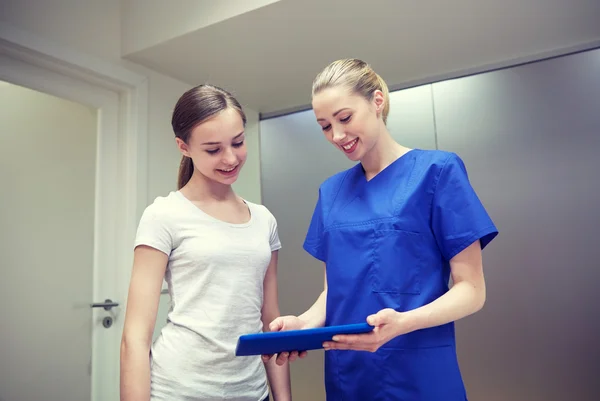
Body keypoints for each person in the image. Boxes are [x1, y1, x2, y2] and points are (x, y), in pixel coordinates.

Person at [263, 59, 498, 401]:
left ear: (377, 101)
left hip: (419, 373)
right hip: (348, 377)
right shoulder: (331, 192)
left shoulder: (437, 172)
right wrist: (302, 325)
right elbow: (335, 293)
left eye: (344, 118)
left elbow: (472, 290)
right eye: (325, 126)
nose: (337, 135)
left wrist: (403, 323)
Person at [120, 84, 291, 401]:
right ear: (183, 146)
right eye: (213, 149)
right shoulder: (163, 215)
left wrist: (283, 398)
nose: (230, 158)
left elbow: (271, 320)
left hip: (252, 391)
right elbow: (135, 337)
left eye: (238, 142)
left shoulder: (264, 220)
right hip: (179, 389)